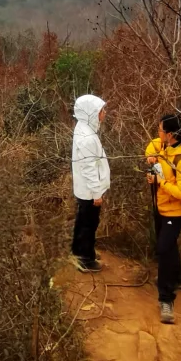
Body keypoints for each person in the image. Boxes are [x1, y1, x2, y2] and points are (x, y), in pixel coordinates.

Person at [145, 112, 181, 323]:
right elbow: (151, 145)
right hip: (161, 207)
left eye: (160, 130)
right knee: (169, 246)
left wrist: (160, 182)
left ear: (171, 134)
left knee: (164, 249)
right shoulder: (165, 146)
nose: (158, 133)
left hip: (175, 212)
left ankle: (166, 299)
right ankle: (178, 278)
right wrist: (150, 157)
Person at [70, 93, 110, 273]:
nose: (104, 113)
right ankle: (86, 260)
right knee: (89, 224)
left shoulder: (83, 128)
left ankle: (79, 252)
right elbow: (89, 168)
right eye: (101, 110)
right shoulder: (86, 137)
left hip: (84, 189)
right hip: (89, 190)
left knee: (82, 221)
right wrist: (97, 193)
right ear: (91, 113)